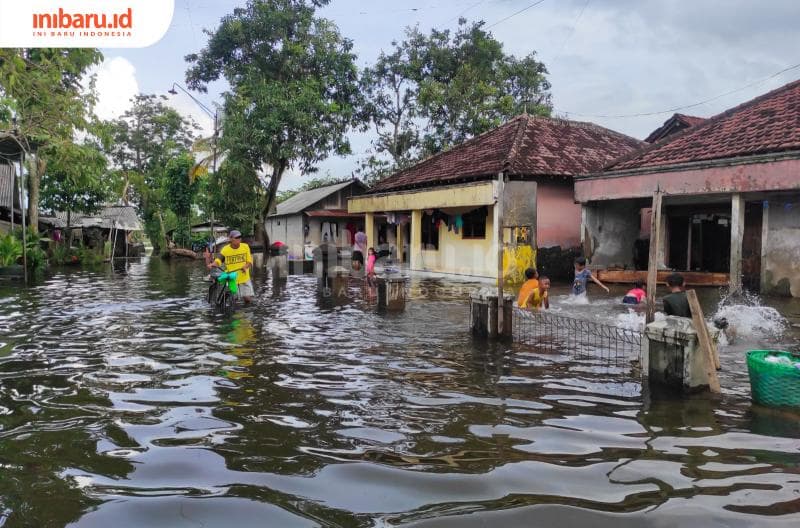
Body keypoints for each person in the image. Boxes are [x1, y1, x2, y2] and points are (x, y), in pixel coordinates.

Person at [219, 230, 255, 303]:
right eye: (236, 237)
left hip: (244, 276)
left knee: (247, 299)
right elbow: (219, 259)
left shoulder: (245, 246)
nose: (239, 239)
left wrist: (245, 266)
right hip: (232, 277)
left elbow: (249, 261)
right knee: (234, 299)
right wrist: (214, 263)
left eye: (240, 237)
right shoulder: (225, 249)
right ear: (231, 239)